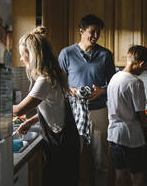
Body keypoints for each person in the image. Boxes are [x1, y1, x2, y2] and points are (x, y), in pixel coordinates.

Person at [13, 27, 79, 186]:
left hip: (61, 143)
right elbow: (54, 109)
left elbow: (19, 110)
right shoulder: (53, 74)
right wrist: (30, 122)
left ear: (32, 55)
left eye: (23, 54)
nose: (21, 59)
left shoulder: (44, 80)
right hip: (66, 139)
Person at [58, 14, 116, 185]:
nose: (96, 36)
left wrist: (102, 91)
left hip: (99, 111)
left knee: (101, 160)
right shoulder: (66, 53)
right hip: (74, 112)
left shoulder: (105, 54)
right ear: (81, 31)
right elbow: (58, 84)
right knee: (74, 157)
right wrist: (71, 90)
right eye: (92, 31)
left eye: (98, 32)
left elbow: (113, 83)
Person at [107, 45, 147, 186]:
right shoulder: (135, 82)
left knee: (120, 173)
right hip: (130, 135)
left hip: (114, 134)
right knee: (137, 173)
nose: (144, 71)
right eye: (145, 68)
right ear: (141, 64)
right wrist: (146, 121)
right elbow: (140, 114)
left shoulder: (115, 77)